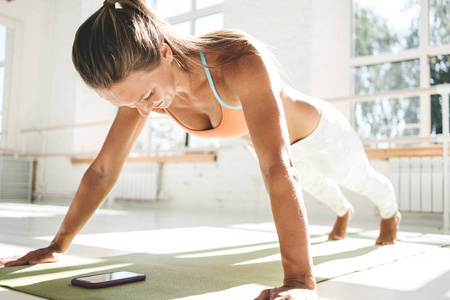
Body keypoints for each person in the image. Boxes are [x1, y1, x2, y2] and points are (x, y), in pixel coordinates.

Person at [0, 0, 401, 299]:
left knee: (361, 180)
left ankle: (391, 214)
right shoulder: (145, 92)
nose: (143, 109)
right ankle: (343, 214)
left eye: (146, 95)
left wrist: (299, 280)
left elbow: (278, 168)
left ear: (164, 52)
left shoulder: (239, 60)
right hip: (285, 156)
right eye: (128, 104)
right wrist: (58, 244)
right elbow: (105, 168)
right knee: (325, 193)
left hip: (320, 132)